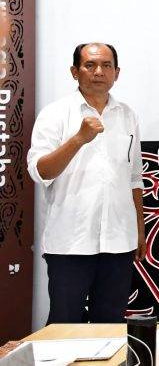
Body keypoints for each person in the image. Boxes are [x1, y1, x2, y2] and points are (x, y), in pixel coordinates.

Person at [27, 43, 145, 323]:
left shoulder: (127, 115)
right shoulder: (55, 114)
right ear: (74, 72)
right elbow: (41, 171)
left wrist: (139, 230)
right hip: (71, 242)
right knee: (64, 324)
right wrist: (78, 139)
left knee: (110, 325)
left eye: (106, 65)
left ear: (116, 73)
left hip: (119, 241)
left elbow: (134, 177)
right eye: (90, 65)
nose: (98, 72)